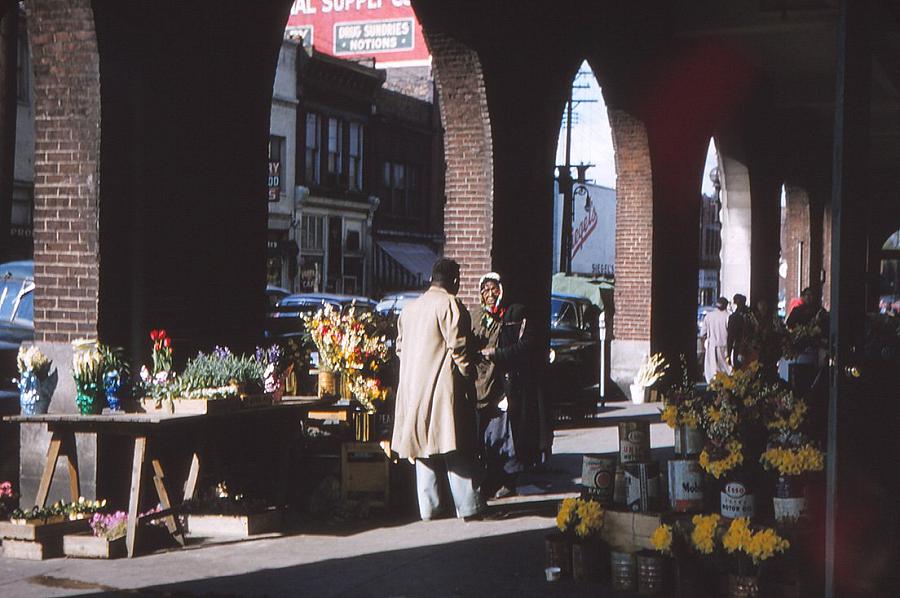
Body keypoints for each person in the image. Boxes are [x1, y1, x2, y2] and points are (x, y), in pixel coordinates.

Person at [392, 258, 486, 521]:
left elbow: (400, 348)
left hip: (412, 386)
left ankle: (429, 508)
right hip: (443, 385)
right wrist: (468, 374)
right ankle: (469, 506)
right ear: (454, 280)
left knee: (421, 448)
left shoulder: (410, 309)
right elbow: (459, 348)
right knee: (454, 444)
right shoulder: (449, 304)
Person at [473, 272, 537, 499]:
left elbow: (522, 346)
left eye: (494, 290)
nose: (490, 295)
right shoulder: (477, 316)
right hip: (482, 384)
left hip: (503, 385)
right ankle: (489, 478)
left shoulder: (511, 316)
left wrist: (498, 354)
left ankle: (507, 479)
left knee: (503, 433)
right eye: (485, 290)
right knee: (486, 436)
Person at [699, 296, 732, 383]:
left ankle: (713, 388)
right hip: (724, 347)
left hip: (711, 347)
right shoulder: (728, 316)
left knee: (712, 371)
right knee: (726, 370)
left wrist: (704, 347)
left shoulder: (709, 316)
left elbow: (703, 334)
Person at [727, 293, 752, 368]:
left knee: (739, 373)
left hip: (739, 348)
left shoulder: (734, 317)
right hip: (752, 348)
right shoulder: (752, 315)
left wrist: (728, 353)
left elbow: (731, 337)